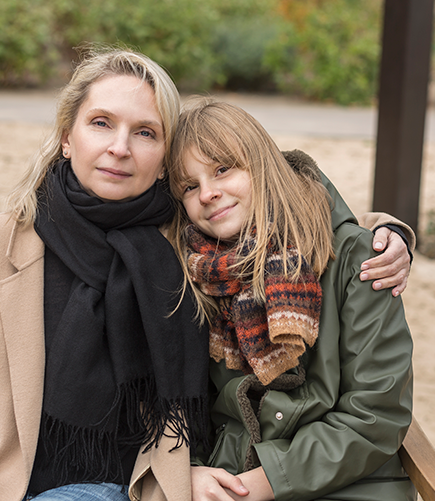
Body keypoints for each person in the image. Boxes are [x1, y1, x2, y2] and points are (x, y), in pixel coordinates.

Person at [0, 47, 413, 501]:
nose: (120, 147)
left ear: (162, 159)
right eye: (101, 123)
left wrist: (387, 235)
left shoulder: (180, 237)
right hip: (9, 485)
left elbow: (287, 209)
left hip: (141, 483)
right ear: (66, 137)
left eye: (144, 132)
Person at [165, 98, 415, 501]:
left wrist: (259, 485)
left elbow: (375, 415)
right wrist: (191, 471)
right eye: (189, 187)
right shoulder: (191, 269)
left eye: (223, 169)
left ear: (262, 164)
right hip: (226, 476)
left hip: (351, 484)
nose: (208, 193)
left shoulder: (359, 260)